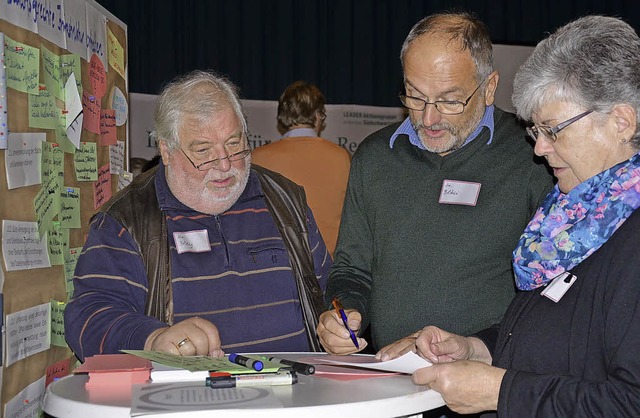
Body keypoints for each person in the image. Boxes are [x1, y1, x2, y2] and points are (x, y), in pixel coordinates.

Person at [379, 15, 640, 416]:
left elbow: (628, 403)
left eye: (553, 130)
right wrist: (477, 348)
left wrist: (502, 392)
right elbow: (557, 335)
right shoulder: (571, 218)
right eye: (537, 131)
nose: (539, 149)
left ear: (621, 122)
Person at [317, 11, 553, 355]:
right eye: (415, 96)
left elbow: (551, 294)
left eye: (449, 100)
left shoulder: (532, 158)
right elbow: (352, 269)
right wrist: (344, 313)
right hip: (394, 381)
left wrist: (478, 346)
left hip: (490, 383)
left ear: (488, 88)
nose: (429, 118)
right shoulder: (375, 157)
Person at [64, 70, 331, 361]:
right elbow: (88, 317)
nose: (225, 165)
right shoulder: (126, 220)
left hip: (296, 396)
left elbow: (329, 291)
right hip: (186, 401)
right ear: (166, 150)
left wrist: (339, 325)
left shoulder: (286, 201)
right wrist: (152, 339)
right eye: (204, 151)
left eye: (233, 143)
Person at [251, 81, 351, 256]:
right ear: (318, 115)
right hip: (330, 264)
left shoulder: (258, 158)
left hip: (279, 263)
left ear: (281, 116)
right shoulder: (341, 157)